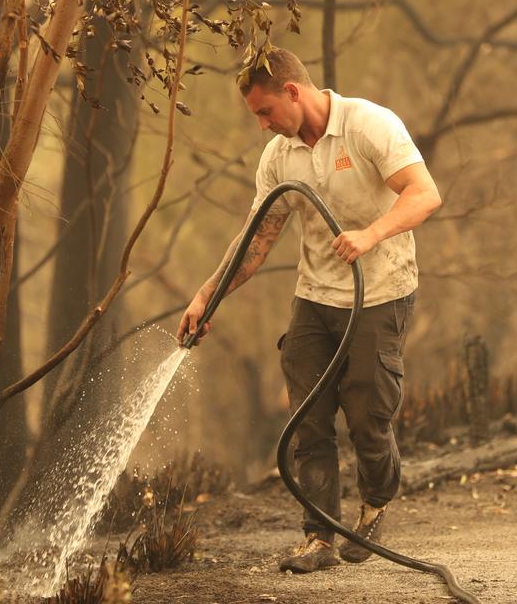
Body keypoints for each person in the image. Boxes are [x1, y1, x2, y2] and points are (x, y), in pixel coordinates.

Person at [178, 47, 441, 572]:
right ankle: (319, 537)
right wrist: (206, 296)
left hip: (381, 291)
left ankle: (374, 504)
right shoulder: (279, 156)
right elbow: (257, 240)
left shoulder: (369, 125)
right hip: (314, 299)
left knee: (368, 417)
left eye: (265, 111)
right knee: (308, 419)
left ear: (292, 93)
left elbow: (425, 195)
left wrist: (371, 234)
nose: (262, 125)